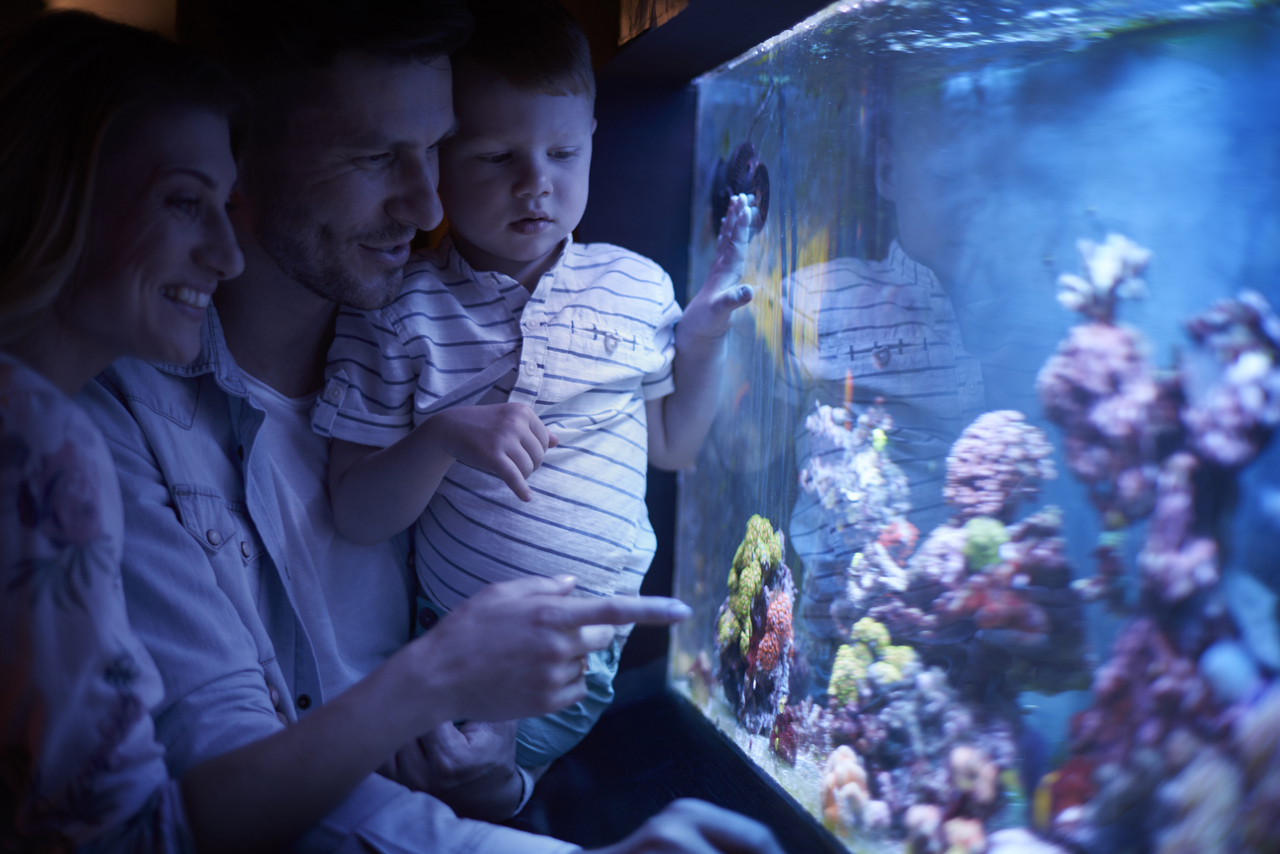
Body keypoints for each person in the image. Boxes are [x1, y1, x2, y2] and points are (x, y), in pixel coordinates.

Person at [73, 1, 786, 852]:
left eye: (434, 148)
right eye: (376, 155)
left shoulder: (501, 315)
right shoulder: (110, 424)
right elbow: (222, 798)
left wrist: (500, 780)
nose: (424, 203)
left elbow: (668, 440)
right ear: (236, 151)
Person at [313, 0, 756, 772]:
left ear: (591, 140)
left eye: (561, 154)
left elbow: (674, 448)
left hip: (595, 663)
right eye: (496, 157)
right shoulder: (397, 309)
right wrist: (444, 436)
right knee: (455, 784)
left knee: (509, 786)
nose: (536, 186)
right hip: (461, 659)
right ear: (441, 158)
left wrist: (703, 341)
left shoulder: (635, 285)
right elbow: (354, 511)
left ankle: (505, 787)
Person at [782, 83, 987, 682]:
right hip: (838, 643)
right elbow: (737, 448)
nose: (970, 202)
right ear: (889, 172)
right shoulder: (821, 296)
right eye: (950, 178)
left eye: (988, 180)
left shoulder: (1034, 320)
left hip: (972, 649)